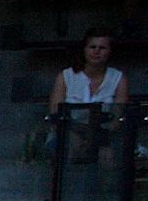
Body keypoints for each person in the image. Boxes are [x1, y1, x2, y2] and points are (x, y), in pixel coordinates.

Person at [47, 27, 129, 163]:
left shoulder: (119, 78)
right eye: (92, 47)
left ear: (110, 51)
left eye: (102, 48)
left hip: (102, 136)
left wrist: (95, 137)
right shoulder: (65, 76)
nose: (96, 51)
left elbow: (117, 118)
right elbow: (56, 114)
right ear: (84, 49)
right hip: (67, 134)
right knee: (71, 146)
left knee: (107, 155)